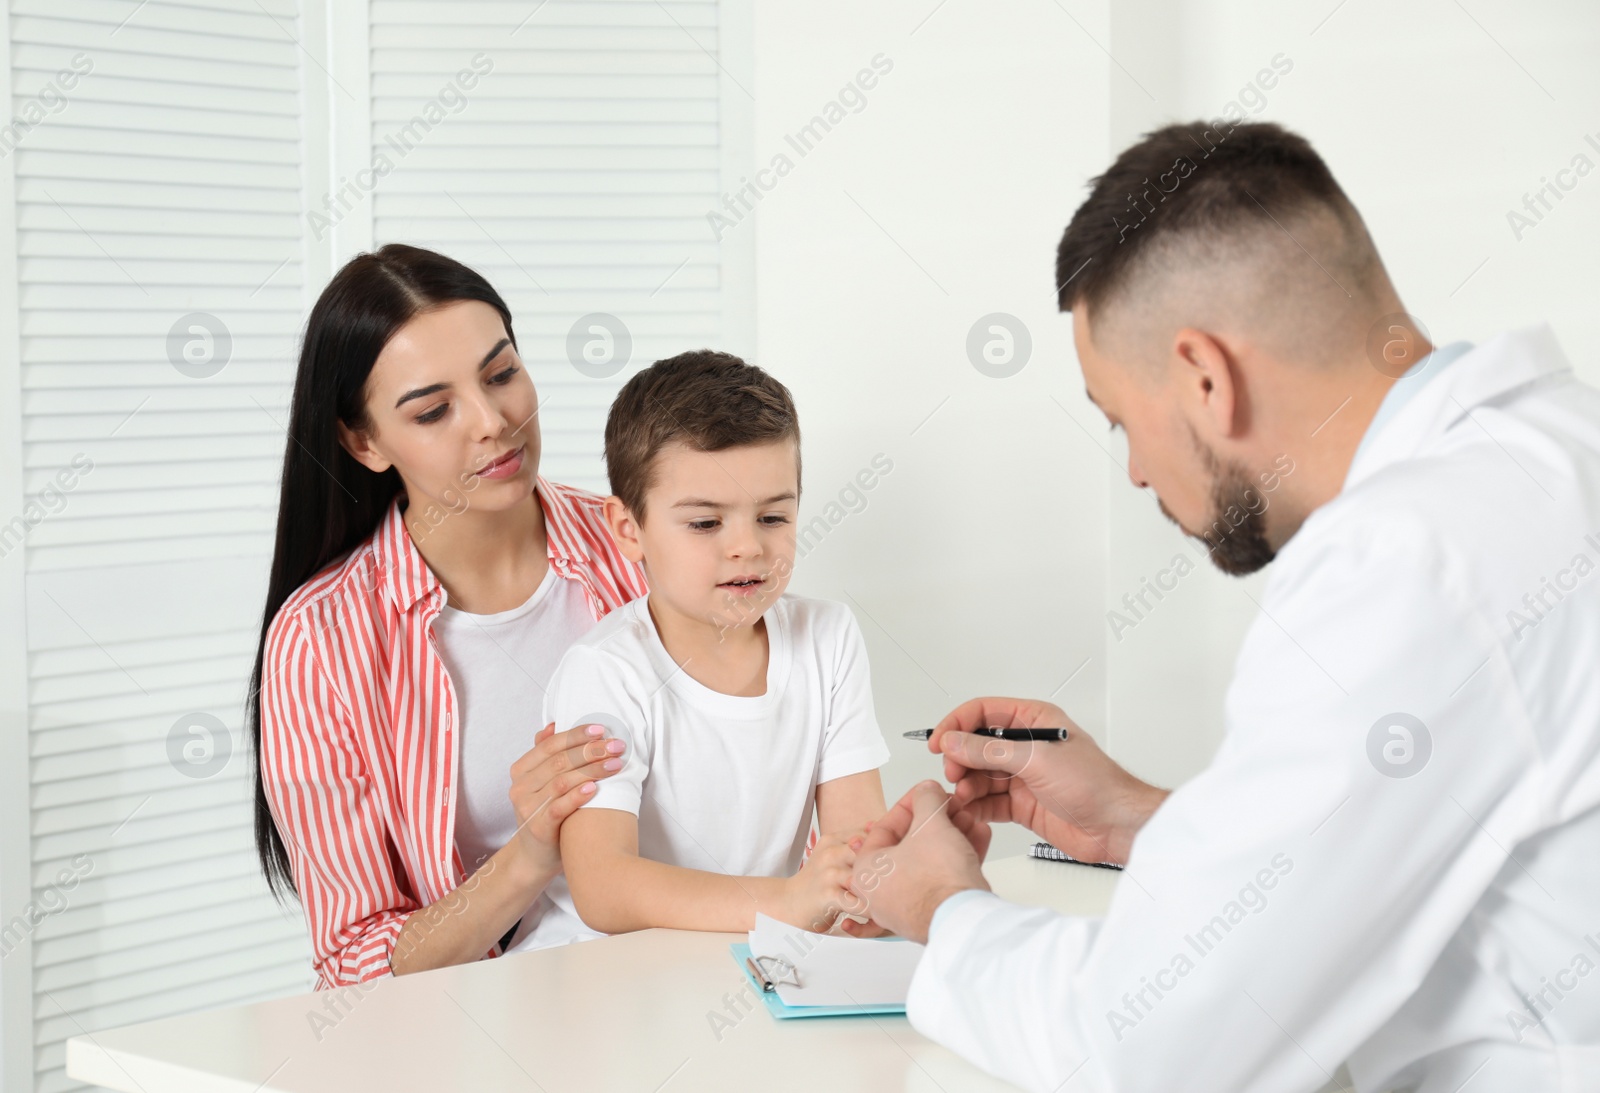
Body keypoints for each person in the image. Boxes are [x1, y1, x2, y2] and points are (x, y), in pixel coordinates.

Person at [847, 121, 1600, 1092]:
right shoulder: (1556, 449)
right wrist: (1140, 819)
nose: (1131, 470)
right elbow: (1444, 844)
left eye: (1119, 417)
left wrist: (946, 910)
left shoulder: (1404, 559)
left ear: (1205, 375)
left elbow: (1152, 1050)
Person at [250, 244, 647, 988]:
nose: (494, 422)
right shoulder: (322, 639)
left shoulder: (642, 545)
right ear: (363, 441)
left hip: (690, 977)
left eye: (502, 374)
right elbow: (354, 962)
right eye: (434, 410)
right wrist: (530, 851)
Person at [536, 350, 891, 944]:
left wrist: (868, 891)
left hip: (745, 954)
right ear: (629, 530)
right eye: (706, 524)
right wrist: (789, 900)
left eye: (773, 516)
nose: (747, 548)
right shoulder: (606, 671)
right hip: (601, 970)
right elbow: (603, 887)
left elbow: (858, 838)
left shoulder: (828, 638)